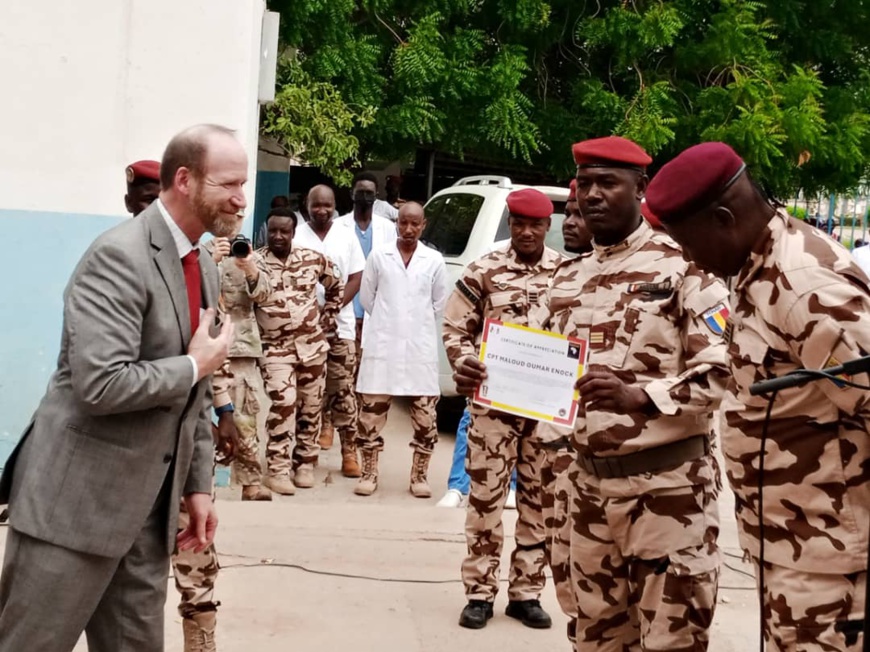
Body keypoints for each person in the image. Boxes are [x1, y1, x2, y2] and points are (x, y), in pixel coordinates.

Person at [0, 124, 241, 652]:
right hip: (74, 512)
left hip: (148, 515)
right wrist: (191, 365)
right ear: (185, 180)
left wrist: (198, 485)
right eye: (229, 184)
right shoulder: (119, 256)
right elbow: (100, 384)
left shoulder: (204, 266)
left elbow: (194, 399)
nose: (241, 199)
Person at [647, 141, 870, 651]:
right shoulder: (756, 267)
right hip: (795, 546)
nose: (686, 256)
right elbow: (747, 371)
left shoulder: (802, 285)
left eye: (687, 241)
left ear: (724, 218)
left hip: (831, 563)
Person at [526, 136, 729, 651]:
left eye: (607, 183)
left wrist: (643, 396)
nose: (592, 195)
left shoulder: (684, 267)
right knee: (594, 637)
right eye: (585, 183)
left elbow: (724, 368)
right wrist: (491, 379)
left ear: (641, 187)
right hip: (587, 492)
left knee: (671, 641)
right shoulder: (567, 277)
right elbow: (539, 370)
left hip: (668, 493)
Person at [121, 158, 245, 651]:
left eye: (157, 197)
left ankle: (201, 640)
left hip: (182, 440)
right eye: (141, 199)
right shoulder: (115, 260)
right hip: (125, 449)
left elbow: (209, 353)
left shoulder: (199, 268)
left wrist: (225, 411)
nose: (150, 207)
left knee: (195, 556)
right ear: (130, 203)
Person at [443, 188, 563, 631]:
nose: (527, 232)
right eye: (519, 224)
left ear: (547, 227)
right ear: (509, 224)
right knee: (486, 500)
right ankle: (478, 592)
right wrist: (463, 360)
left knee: (539, 502)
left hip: (546, 412)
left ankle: (526, 593)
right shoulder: (484, 271)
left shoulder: (567, 274)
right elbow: (455, 327)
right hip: (493, 409)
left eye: (535, 225)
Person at [534, 177, 594, 646]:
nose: (568, 223)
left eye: (578, 214)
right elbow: (544, 354)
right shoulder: (566, 279)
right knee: (572, 576)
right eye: (567, 213)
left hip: (634, 472)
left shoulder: (670, 271)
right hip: (561, 456)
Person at [353, 202, 448, 497]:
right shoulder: (379, 256)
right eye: (403, 223)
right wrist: (390, 320)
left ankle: (419, 476)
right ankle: (369, 472)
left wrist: (412, 324)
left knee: (425, 419)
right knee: (370, 415)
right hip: (383, 345)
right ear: (397, 223)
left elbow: (439, 303)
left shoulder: (434, 260)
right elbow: (368, 298)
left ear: (423, 225)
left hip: (419, 349)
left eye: (414, 224)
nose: (408, 229)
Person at [255, 207, 344, 495]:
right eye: (273, 230)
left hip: (312, 347)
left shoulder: (312, 258)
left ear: (294, 232)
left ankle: (305, 463)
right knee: (284, 402)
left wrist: (329, 315)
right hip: (275, 349)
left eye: (284, 231)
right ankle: (278, 468)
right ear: (266, 231)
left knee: (311, 407)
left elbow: (335, 285)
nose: (278, 236)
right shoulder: (254, 263)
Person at [293, 184, 366, 478]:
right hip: (305, 327)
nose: (322, 210)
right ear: (306, 205)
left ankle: (349, 452)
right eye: (316, 205)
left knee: (343, 390)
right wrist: (314, 313)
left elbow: (357, 276)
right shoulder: (297, 235)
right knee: (308, 394)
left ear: (335, 205)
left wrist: (333, 308)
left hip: (342, 326)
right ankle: (305, 455)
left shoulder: (346, 235)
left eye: (327, 205)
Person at [337, 172, 399, 363]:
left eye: (369, 192)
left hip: (375, 312)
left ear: (377, 194)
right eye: (361, 192)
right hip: (346, 311)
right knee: (346, 373)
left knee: (371, 372)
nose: (365, 197)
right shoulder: (338, 227)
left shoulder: (388, 228)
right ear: (352, 193)